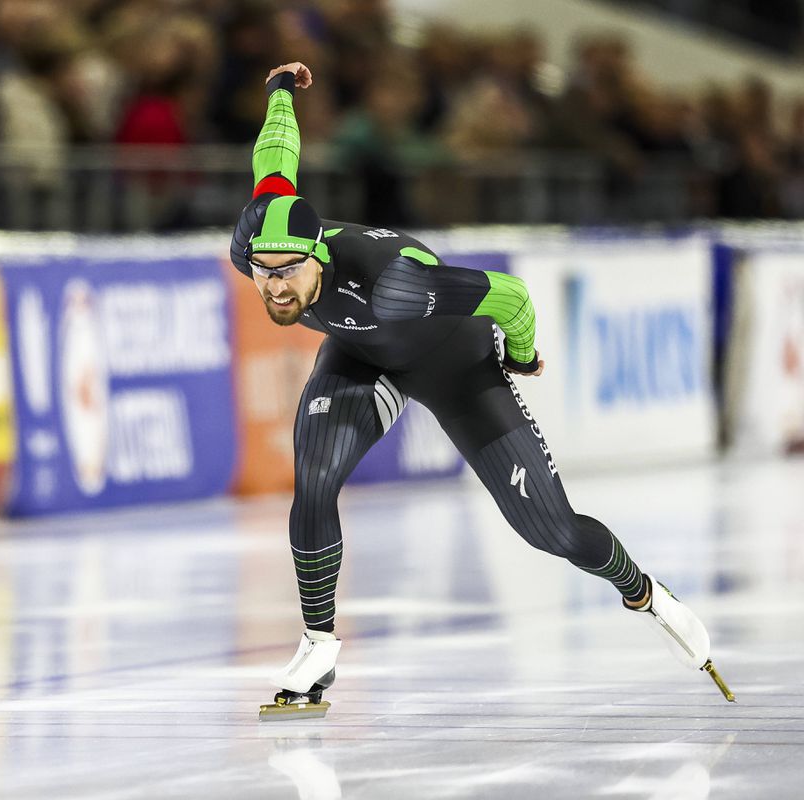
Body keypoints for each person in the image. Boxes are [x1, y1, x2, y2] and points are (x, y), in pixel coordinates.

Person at [233, 63, 731, 719]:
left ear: (319, 257)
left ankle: (642, 591)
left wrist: (520, 356)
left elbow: (511, 295)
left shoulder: (395, 285)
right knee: (316, 480)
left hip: (453, 358)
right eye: (262, 274)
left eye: (287, 274)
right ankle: (319, 645)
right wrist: (277, 91)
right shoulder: (264, 241)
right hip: (362, 355)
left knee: (548, 528)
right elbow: (276, 154)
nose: (272, 288)